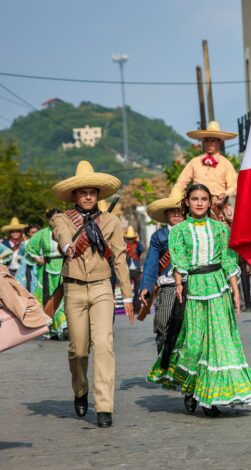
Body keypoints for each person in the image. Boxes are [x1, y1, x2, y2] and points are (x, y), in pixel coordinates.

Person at [146, 183, 251, 416]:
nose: (199, 203)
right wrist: (179, 284)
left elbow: (229, 261)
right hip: (193, 288)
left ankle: (211, 398)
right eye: (194, 199)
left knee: (219, 342)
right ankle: (191, 388)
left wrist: (236, 291)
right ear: (187, 203)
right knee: (194, 342)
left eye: (203, 199)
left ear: (210, 202)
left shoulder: (221, 229)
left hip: (219, 287)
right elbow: (179, 260)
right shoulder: (179, 231)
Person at [49, 160, 134, 428]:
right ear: (74, 195)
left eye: (93, 192)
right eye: (82, 192)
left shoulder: (110, 220)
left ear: (98, 195)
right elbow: (60, 232)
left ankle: (105, 406)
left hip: (101, 287)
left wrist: (127, 294)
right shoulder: (62, 218)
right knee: (78, 349)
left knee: (105, 345)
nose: (88, 196)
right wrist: (66, 245)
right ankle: (80, 389)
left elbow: (120, 257)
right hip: (73, 288)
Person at [139, 188, 185, 352]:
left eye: (180, 211)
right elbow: (151, 264)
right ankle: (163, 364)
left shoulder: (193, 231)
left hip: (192, 285)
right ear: (166, 214)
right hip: (168, 287)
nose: (177, 214)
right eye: (173, 211)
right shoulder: (159, 236)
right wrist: (146, 287)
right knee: (163, 325)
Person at [172, 121, 238, 223]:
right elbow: (180, 183)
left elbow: (233, 185)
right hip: (196, 205)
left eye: (213, 140)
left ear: (219, 142)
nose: (209, 143)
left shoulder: (226, 164)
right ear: (203, 142)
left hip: (218, 206)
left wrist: (225, 194)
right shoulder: (194, 162)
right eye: (206, 140)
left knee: (230, 229)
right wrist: (174, 202)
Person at [24, 209, 67, 339]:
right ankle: (51, 328)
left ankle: (65, 326)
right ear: (49, 220)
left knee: (66, 297)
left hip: (66, 267)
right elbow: (29, 247)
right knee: (49, 298)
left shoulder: (67, 231)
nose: (56, 222)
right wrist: (38, 258)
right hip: (48, 270)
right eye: (53, 219)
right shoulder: (42, 234)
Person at [124, 226, 144, 314]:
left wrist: (138, 241)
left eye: (132, 238)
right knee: (128, 291)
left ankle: (137, 309)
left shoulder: (137, 245)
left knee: (137, 290)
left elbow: (142, 249)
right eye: (129, 238)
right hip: (127, 270)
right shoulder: (124, 245)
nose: (130, 240)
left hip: (136, 270)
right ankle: (129, 309)